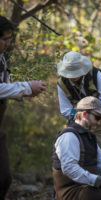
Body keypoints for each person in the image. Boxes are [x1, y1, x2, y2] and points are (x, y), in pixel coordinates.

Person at [0, 16, 46, 199]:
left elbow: (5, 88)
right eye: (4, 39)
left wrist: (27, 92)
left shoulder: (2, 59)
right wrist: (26, 87)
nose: (8, 44)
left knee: (3, 178)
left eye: (10, 39)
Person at [56, 51, 101, 157]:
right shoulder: (61, 84)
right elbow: (65, 110)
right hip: (78, 121)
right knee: (80, 154)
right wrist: (81, 118)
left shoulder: (96, 74)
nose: (73, 76)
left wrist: (93, 115)